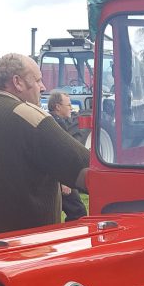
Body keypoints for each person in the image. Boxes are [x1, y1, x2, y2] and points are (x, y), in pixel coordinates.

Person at [0, 53, 89, 241]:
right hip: (10, 242)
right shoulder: (31, 117)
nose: (43, 87)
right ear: (17, 82)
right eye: (38, 80)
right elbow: (85, 166)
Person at [46, 90, 88, 222]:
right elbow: (57, 154)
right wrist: (63, 181)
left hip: (56, 177)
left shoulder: (55, 121)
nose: (71, 108)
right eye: (68, 105)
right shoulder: (56, 124)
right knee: (78, 211)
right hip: (59, 178)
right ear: (58, 107)